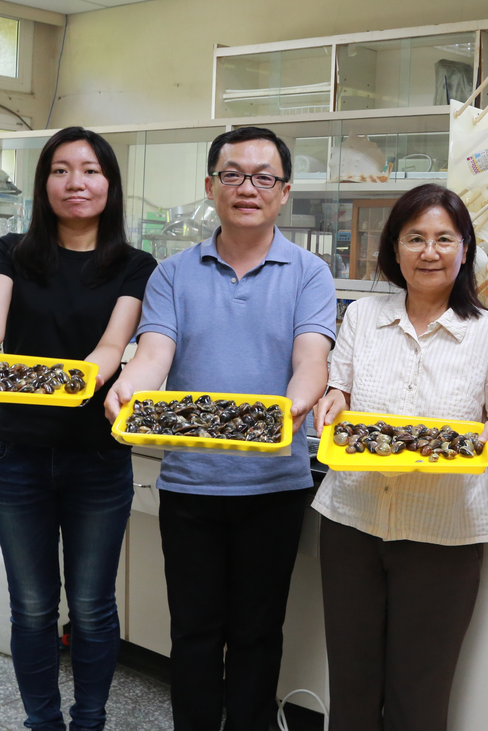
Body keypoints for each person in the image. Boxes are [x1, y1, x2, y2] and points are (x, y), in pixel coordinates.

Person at [104, 126, 335, 731]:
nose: (247, 188)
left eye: (263, 177)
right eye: (233, 175)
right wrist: (133, 386)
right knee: (195, 635)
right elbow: (154, 351)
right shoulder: (173, 274)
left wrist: (290, 406)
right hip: (191, 482)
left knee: (259, 634)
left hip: (275, 486)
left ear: (284, 192)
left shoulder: (309, 273)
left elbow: (312, 358)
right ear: (211, 186)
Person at [0, 126, 157, 731]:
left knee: (93, 608)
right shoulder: (11, 250)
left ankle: (89, 721)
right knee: (34, 607)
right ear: (44, 182)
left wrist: (69, 383)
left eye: (91, 170)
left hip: (96, 459)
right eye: (62, 170)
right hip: (16, 453)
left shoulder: (134, 264)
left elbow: (111, 347)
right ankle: (41, 722)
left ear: (110, 184)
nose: (77, 183)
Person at [311, 184, 488, 731]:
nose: (429, 252)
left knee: (421, 694)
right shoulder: (361, 316)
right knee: (352, 685)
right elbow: (343, 396)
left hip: (443, 532)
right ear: (395, 248)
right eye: (415, 239)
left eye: (443, 239)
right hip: (352, 522)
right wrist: (333, 401)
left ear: (463, 249)